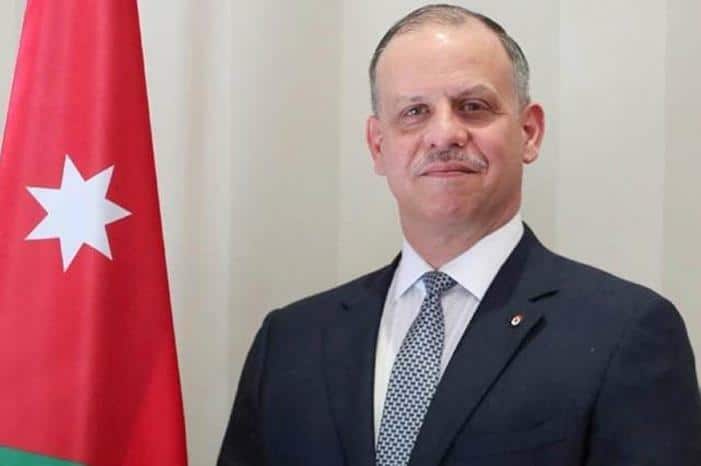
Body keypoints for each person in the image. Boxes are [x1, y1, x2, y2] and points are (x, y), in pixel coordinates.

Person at [218, 4, 701, 465]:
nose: (444, 134)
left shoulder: (625, 332)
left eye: (473, 106)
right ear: (378, 145)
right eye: (414, 112)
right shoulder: (290, 343)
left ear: (529, 132)